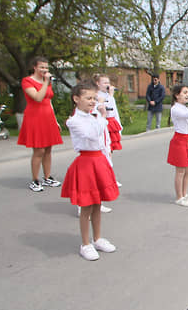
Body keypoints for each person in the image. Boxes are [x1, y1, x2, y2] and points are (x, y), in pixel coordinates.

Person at [61, 82, 119, 261]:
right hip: (85, 164)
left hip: (98, 161)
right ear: (76, 99)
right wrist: (101, 116)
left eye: (94, 98)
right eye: (88, 98)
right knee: (86, 205)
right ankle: (85, 243)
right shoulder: (74, 121)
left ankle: (97, 238)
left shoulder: (93, 117)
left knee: (97, 204)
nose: (92, 101)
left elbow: (102, 141)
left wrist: (107, 162)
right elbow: (92, 135)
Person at [17, 56, 63, 192]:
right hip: (35, 117)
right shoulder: (27, 81)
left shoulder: (46, 82)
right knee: (39, 150)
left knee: (48, 149)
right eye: (41, 67)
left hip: (48, 117)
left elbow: (49, 101)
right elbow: (38, 97)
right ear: (34, 67)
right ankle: (35, 179)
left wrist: (55, 120)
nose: (44, 70)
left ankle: (47, 177)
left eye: (46, 67)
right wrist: (45, 82)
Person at [168, 84, 188, 207]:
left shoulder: (185, 108)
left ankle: (185, 193)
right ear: (177, 95)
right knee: (180, 171)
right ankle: (179, 197)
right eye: (185, 92)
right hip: (179, 141)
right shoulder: (175, 109)